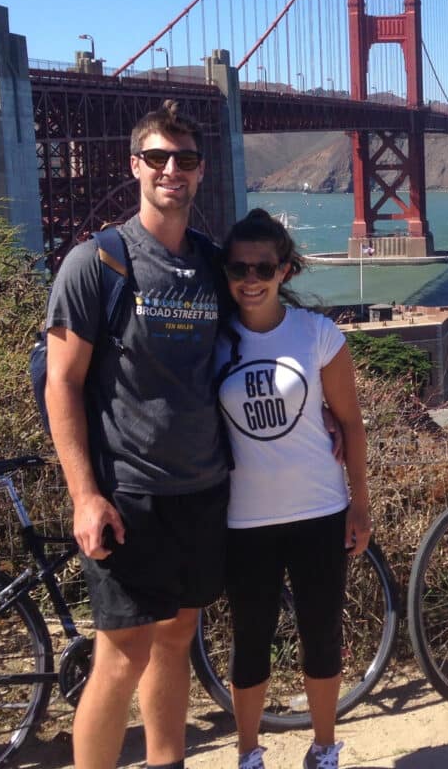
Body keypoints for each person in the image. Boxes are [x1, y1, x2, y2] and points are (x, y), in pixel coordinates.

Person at [44, 100, 230, 769]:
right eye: (156, 157)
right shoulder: (97, 263)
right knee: (120, 654)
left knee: (179, 636)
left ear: (201, 170)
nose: (169, 169)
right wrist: (84, 497)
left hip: (202, 486)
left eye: (182, 158)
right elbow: (61, 383)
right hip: (130, 493)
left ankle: (166, 764)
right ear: (135, 166)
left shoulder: (213, 263)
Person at [214, 208, 372, 769]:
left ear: (285, 270)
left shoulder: (318, 335)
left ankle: (324, 748)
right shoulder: (210, 341)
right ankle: (249, 753)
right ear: (225, 272)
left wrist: (360, 503)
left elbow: (350, 421)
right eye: (238, 268)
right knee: (250, 642)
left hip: (319, 509)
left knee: (320, 634)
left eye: (264, 267)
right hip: (243, 518)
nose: (250, 279)